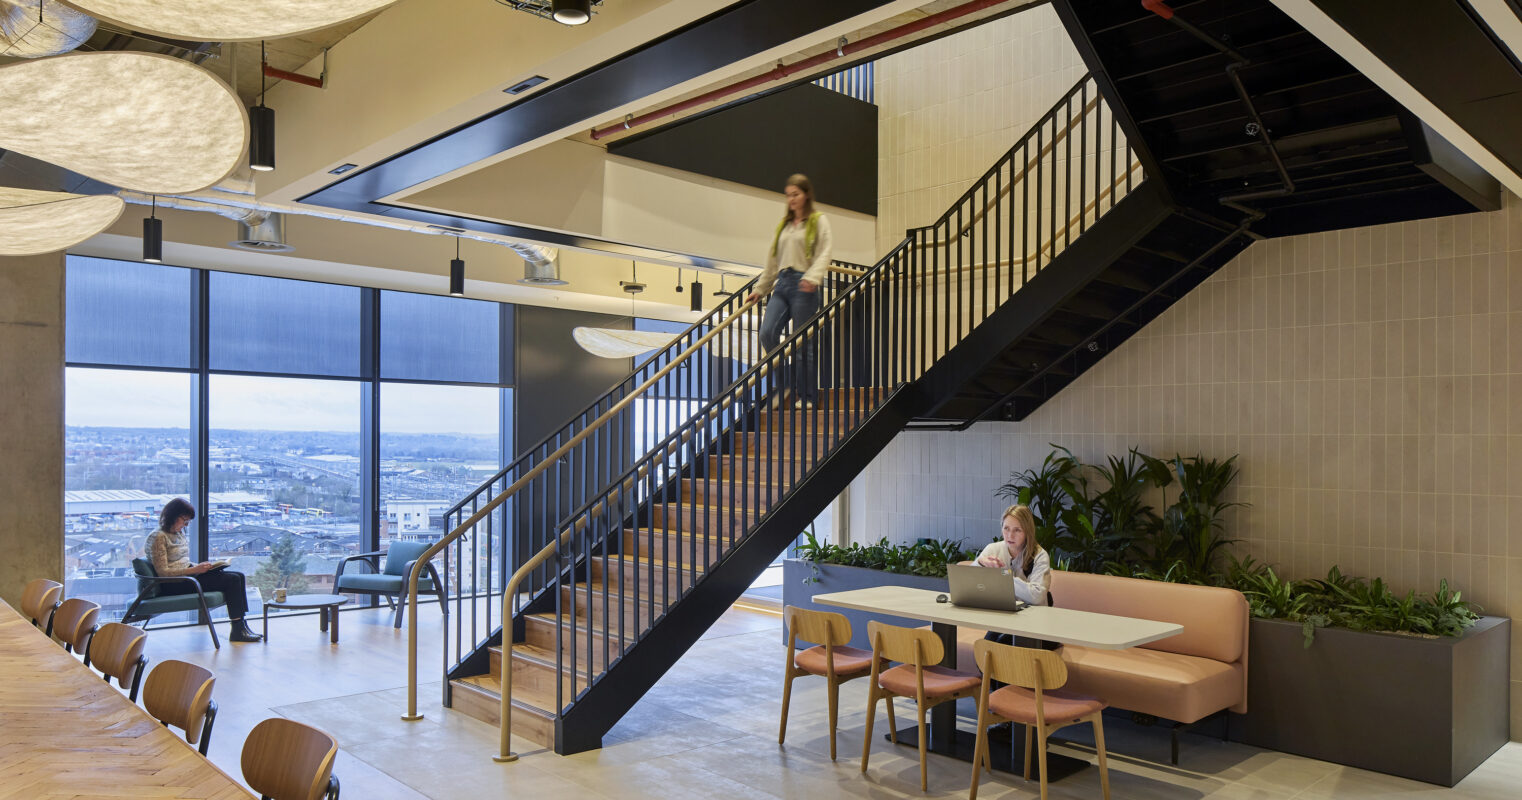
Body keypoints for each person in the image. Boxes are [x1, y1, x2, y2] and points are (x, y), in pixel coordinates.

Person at [747, 173, 833, 409]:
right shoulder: (783, 226)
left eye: (795, 194)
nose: (791, 199)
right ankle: (785, 383)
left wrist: (813, 277)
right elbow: (772, 261)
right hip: (783, 283)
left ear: (806, 195)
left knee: (802, 343)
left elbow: (825, 251)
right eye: (788, 195)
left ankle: (808, 396)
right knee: (767, 333)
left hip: (804, 284)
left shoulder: (818, 220)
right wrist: (760, 289)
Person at [145, 497, 263, 642]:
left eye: (188, 522)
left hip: (187, 577)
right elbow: (163, 573)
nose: (185, 525)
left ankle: (242, 626)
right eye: (184, 520)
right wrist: (194, 570)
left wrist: (202, 567)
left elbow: (180, 561)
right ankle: (237, 630)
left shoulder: (178, 533)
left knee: (239, 576)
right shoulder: (158, 537)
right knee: (232, 580)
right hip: (172, 583)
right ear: (173, 516)